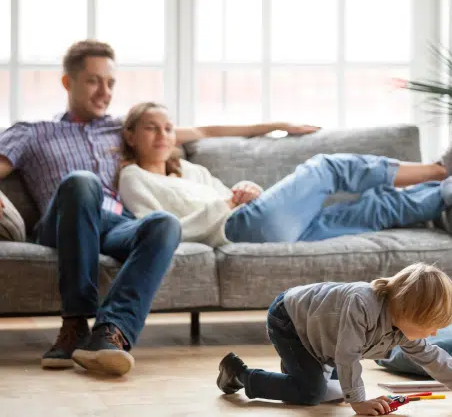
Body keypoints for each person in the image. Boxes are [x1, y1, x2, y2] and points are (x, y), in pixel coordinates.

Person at [0, 39, 320, 375]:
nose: (104, 92)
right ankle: (75, 323)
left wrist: (275, 126)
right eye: (93, 81)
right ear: (68, 82)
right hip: (63, 224)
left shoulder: (120, 128)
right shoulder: (33, 133)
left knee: (165, 223)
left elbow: (203, 131)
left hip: (113, 224)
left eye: (110, 83)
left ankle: (112, 333)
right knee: (83, 182)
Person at [114, 102, 452, 246]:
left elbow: (232, 192)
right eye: (151, 127)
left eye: (168, 128)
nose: (163, 135)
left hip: (259, 221)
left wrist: (247, 189)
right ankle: (436, 168)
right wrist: (226, 204)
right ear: (131, 136)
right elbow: (158, 230)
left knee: (373, 209)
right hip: (238, 229)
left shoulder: (190, 169)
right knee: (326, 167)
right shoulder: (134, 178)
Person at [215, 263, 452, 414]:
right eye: (430, 326)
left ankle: (297, 372)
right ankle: (240, 374)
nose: (434, 334)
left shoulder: (403, 327)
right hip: (291, 320)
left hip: (322, 335)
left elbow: (437, 360)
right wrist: (359, 402)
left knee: (330, 391)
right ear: (409, 312)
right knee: (311, 394)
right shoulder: (362, 304)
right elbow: (347, 355)